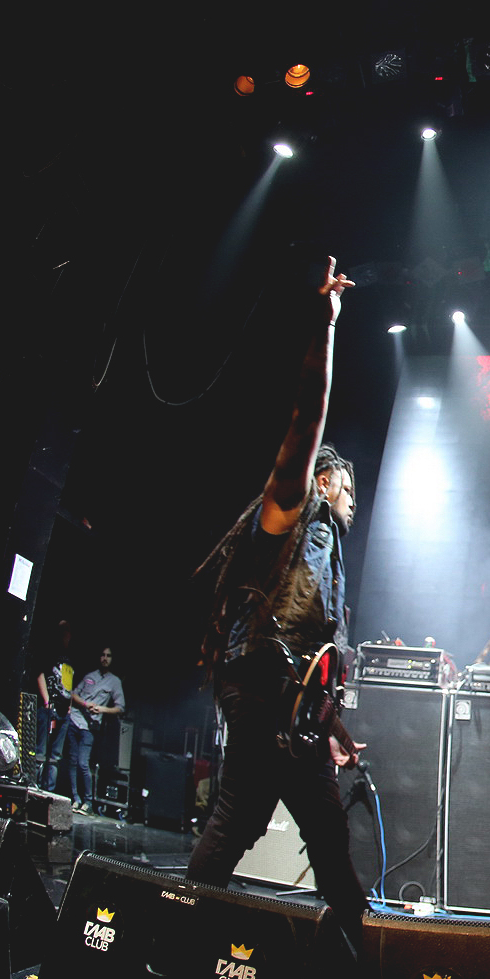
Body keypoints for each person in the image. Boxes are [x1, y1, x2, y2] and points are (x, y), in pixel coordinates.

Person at [188, 257, 368, 944]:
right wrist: (326, 327)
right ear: (321, 482)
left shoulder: (328, 554)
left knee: (319, 832)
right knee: (241, 817)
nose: (351, 500)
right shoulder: (289, 510)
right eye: (345, 487)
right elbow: (306, 416)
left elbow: (314, 657)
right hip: (262, 688)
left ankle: (361, 958)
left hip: (291, 704)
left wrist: (335, 730)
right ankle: (175, 941)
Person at [66, 645, 125, 813]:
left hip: (90, 726)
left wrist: (102, 709)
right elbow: (73, 694)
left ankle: (88, 801)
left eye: (108, 655)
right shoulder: (90, 676)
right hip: (75, 720)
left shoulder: (114, 681)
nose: (105, 658)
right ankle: (75, 798)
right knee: (72, 761)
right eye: (102, 655)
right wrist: (85, 704)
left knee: (82, 763)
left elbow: (120, 707)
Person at [31, 619, 74, 793]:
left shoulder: (70, 657)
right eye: (62, 630)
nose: (65, 634)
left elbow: (70, 682)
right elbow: (39, 672)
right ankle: (34, 786)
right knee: (41, 751)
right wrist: (46, 700)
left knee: (55, 755)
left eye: (67, 630)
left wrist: (69, 706)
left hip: (64, 710)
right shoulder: (50, 652)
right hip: (49, 708)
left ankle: (49, 790)